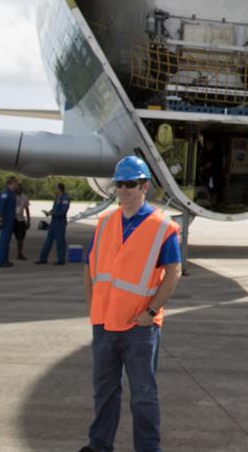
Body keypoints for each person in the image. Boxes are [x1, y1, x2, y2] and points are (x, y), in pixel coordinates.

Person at [79, 155, 182, 452]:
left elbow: (173, 272)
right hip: (104, 323)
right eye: (119, 184)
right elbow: (89, 268)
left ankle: (148, 449)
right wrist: (93, 307)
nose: (123, 190)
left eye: (130, 184)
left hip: (139, 326)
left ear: (144, 186)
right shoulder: (105, 222)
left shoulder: (162, 227)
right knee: (104, 391)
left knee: (143, 395)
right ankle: (99, 445)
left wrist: (151, 312)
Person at [37, 182, 71, 265]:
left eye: (55, 188)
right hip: (53, 222)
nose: (54, 190)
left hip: (60, 222)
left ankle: (61, 260)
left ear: (59, 189)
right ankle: (43, 258)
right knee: (48, 241)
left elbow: (63, 212)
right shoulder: (57, 198)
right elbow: (54, 209)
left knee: (60, 241)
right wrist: (49, 212)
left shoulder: (65, 198)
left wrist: (53, 214)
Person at [0, 177, 20, 268]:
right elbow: (1, 207)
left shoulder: (12, 193)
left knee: (7, 241)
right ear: (11, 183)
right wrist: (0, 218)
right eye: (16, 183)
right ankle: (0, 261)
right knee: (4, 241)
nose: (17, 184)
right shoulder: (5, 194)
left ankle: (5, 259)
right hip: (5, 221)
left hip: (10, 220)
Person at [14, 183, 32, 260]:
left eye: (20, 188)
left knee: (20, 238)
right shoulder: (11, 196)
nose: (19, 190)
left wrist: (28, 220)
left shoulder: (24, 197)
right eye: (18, 188)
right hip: (12, 219)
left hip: (20, 220)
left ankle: (19, 253)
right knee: (6, 237)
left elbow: (27, 209)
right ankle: (4, 253)